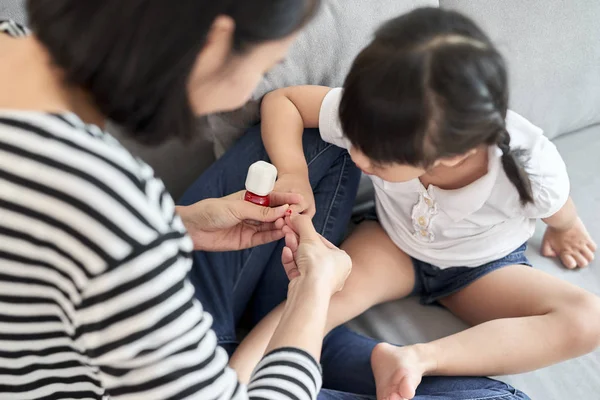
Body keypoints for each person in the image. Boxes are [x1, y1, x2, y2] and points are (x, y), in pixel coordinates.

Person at [0, 2, 530, 399]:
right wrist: (311, 295)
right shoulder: (107, 209)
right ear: (215, 40)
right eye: (262, 65)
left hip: (156, 332)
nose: (247, 91)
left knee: (332, 129)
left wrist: (177, 223)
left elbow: (53, 248)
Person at [229, 7, 600, 400]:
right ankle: (231, 380)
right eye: (354, 141)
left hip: (480, 268)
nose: (355, 158)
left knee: (588, 318)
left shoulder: (530, 165)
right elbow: (283, 101)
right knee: (310, 300)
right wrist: (292, 171)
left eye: (377, 161)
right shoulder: (377, 116)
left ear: (453, 155)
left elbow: (556, 207)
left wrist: (565, 228)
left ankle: (418, 358)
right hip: (391, 244)